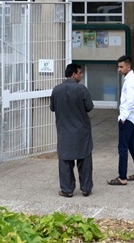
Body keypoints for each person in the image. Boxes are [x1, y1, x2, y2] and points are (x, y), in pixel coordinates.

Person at [50, 63, 95, 197]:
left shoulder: (56, 90)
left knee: (65, 161)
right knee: (85, 160)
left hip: (64, 130)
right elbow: (89, 107)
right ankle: (86, 188)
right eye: (80, 73)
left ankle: (67, 189)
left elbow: (52, 108)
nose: (81, 75)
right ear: (74, 74)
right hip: (81, 131)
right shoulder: (82, 90)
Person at [108, 55, 134, 186]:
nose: (119, 69)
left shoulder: (131, 81)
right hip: (131, 118)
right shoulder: (131, 79)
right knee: (131, 145)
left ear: (128, 67)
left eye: (121, 67)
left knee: (122, 147)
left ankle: (122, 177)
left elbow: (130, 102)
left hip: (127, 118)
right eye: (118, 66)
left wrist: (123, 118)